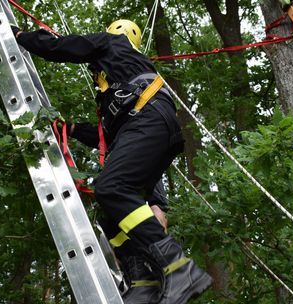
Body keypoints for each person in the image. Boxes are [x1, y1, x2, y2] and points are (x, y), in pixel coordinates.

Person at [11, 19, 212, 303]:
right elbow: (105, 135)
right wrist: (69, 130)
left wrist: (22, 37)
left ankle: (180, 268)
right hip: (151, 127)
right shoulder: (121, 84)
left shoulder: (112, 43)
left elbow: (64, 47)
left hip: (149, 119)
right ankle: (143, 283)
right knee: (111, 214)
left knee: (111, 188)